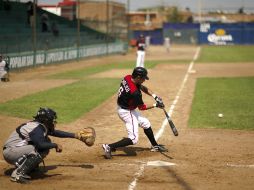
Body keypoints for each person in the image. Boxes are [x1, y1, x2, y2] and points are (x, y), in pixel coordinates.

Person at [2, 107, 96, 183]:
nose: (53, 121)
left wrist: (75, 135)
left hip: (15, 150)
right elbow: (40, 145)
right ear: (46, 120)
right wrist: (55, 145)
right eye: (52, 119)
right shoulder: (36, 128)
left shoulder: (39, 126)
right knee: (42, 147)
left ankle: (29, 168)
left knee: (46, 141)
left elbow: (55, 133)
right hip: (11, 152)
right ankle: (18, 174)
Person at [102, 67, 167, 159]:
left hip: (126, 108)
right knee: (133, 139)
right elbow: (142, 107)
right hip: (126, 112)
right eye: (143, 78)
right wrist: (156, 105)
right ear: (138, 77)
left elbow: (142, 87)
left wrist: (155, 96)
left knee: (146, 123)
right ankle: (109, 146)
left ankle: (154, 145)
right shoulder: (135, 93)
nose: (144, 80)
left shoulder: (128, 77)